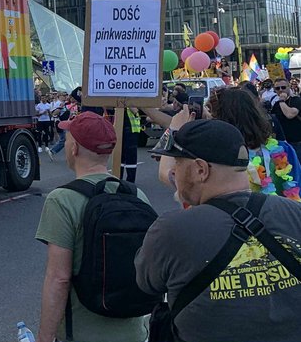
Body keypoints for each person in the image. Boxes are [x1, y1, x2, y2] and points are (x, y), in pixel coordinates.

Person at [136, 119, 301, 342]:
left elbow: (147, 284)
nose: (174, 171)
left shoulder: (172, 229)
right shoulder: (294, 213)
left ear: (200, 169)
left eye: (177, 162)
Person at [35, 112, 150, 342]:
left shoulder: (62, 200)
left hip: (82, 333)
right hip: (134, 332)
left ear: (74, 149)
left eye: (67, 139)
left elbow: (59, 278)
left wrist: (44, 337)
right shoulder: (137, 195)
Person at [271, 78, 301, 156]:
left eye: (283, 87)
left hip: (297, 141)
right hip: (282, 142)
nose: (281, 90)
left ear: (289, 87)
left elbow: (290, 114)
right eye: (277, 88)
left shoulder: (296, 100)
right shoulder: (276, 105)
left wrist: (282, 100)